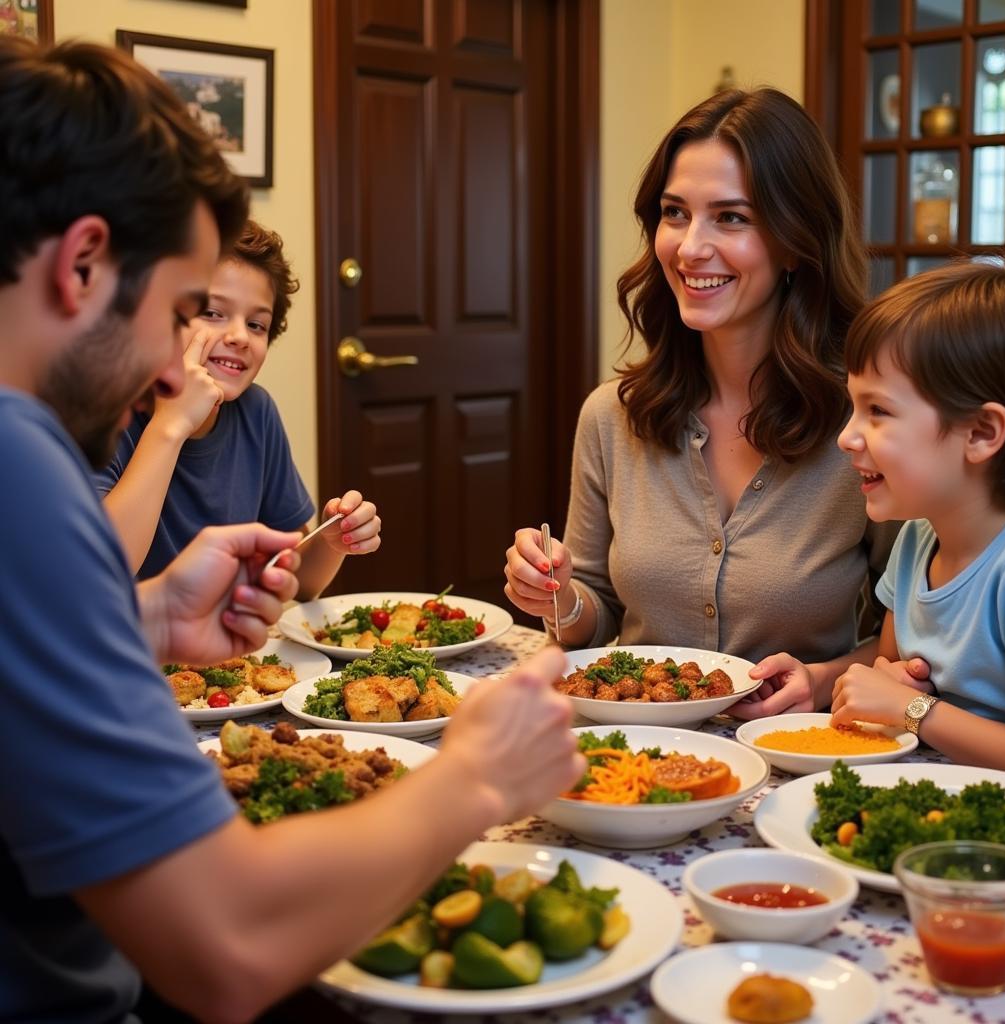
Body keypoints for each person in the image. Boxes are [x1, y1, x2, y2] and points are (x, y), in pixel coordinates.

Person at [0, 37, 583, 1023]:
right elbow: (227, 944)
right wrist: (478, 776)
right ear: (84, 262)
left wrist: (141, 618)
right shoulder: (19, 459)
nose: (180, 354)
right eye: (185, 308)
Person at [503, 88, 902, 716]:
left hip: (801, 761)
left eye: (732, 217)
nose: (690, 248)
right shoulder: (611, 417)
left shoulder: (867, 427)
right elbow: (597, 617)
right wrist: (558, 598)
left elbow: (910, 640)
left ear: (797, 241)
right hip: (629, 763)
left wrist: (822, 680)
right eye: (675, 212)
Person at [96, 219, 380, 600]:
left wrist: (331, 541)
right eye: (212, 313)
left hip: (220, 653)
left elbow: (301, 582)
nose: (239, 337)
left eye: (256, 324)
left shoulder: (256, 412)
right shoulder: (103, 413)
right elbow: (100, 568)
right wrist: (172, 423)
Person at [829, 261, 1005, 772]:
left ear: (981, 433)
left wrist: (917, 710)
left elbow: (909, 706)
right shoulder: (917, 538)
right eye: (853, 407)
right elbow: (890, 671)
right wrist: (875, 682)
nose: (846, 437)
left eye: (879, 411)